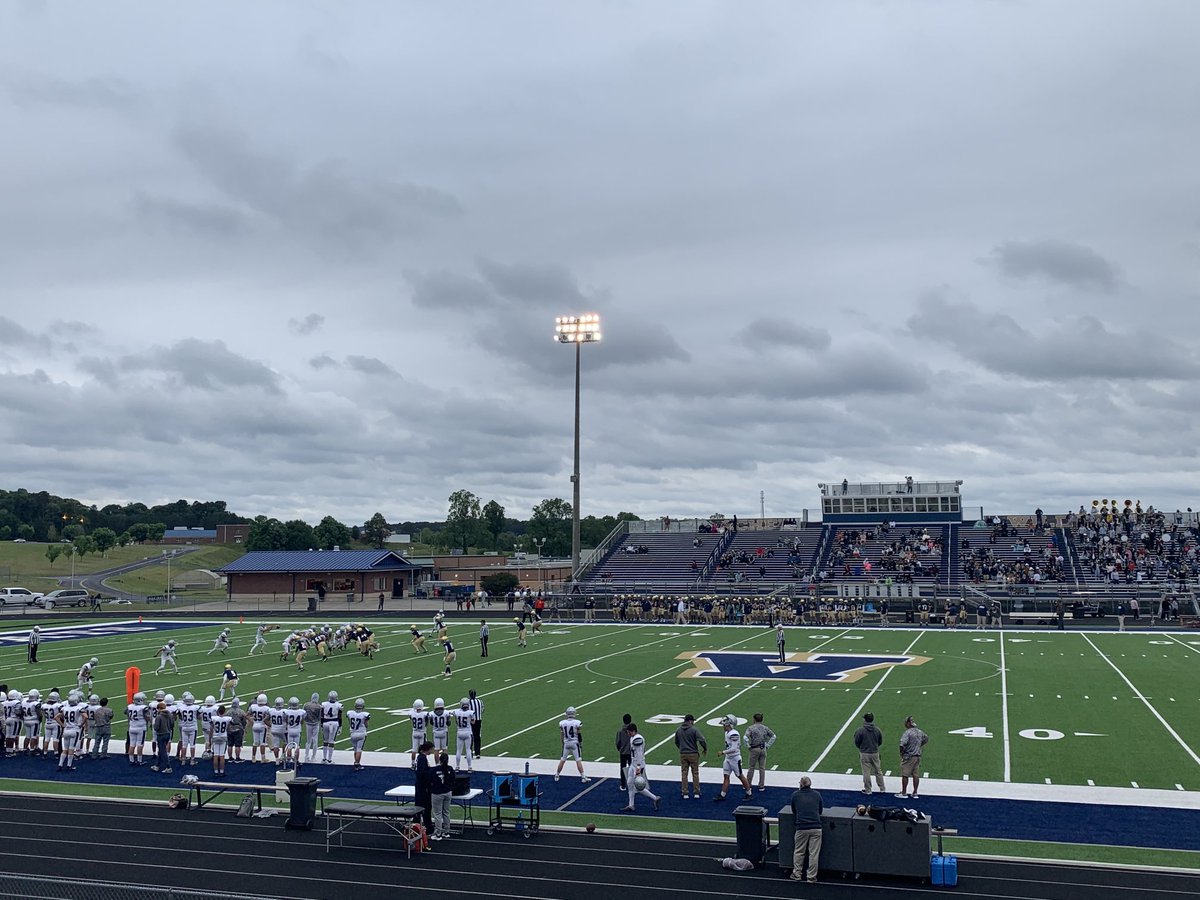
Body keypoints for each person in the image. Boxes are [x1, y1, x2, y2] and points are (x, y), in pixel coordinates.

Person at [621, 723, 661, 812]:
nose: (628, 734)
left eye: (629, 732)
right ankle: (631, 805)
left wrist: (638, 768)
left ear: (633, 731)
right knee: (629, 783)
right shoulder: (633, 738)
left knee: (639, 787)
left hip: (638, 765)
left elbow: (639, 754)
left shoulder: (638, 739)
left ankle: (655, 798)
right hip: (633, 764)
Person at [790, 776, 823, 883]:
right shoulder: (817, 794)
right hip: (816, 827)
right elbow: (820, 810)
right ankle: (811, 877)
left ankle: (797, 874)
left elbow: (794, 810)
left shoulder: (795, 795)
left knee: (799, 852)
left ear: (800, 785)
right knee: (814, 853)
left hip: (801, 827)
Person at [713, 715, 753, 802]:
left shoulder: (734, 733)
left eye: (725, 725)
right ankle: (722, 794)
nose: (723, 726)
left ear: (730, 724)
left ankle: (749, 793)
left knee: (740, 776)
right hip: (728, 758)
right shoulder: (727, 733)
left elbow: (734, 749)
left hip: (735, 758)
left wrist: (723, 752)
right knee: (726, 776)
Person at [673, 713, 708, 799]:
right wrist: (705, 748)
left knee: (684, 773)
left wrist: (681, 748)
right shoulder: (694, 729)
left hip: (683, 753)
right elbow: (702, 739)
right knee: (695, 773)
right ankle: (696, 792)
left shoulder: (679, 730)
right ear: (690, 721)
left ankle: (685, 792)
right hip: (693, 753)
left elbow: (676, 742)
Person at [852, 712, 885, 795]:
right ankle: (882, 788)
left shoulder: (860, 730)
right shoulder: (877, 730)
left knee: (866, 772)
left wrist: (862, 747)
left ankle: (868, 789)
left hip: (864, 753)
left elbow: (857, 741)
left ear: (865, 720)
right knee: (878, 771)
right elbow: (880, 741)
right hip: (875, 753)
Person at [554, 706, 590, 783]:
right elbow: (579, 734)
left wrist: (562, 743)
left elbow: (562, 734)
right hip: (574, 743)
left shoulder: (562, 723)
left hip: (566, 743)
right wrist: (580, 743)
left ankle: (557, 775)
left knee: (562, 760)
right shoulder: (577, 723)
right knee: (578, 760)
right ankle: (583, 777)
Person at [743, 712, 776, 792]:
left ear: (754, 719)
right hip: (763, 749)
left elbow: (745, 737)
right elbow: (773, 736)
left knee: (751, 767)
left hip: (754, 749)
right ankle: (761, 786)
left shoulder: (751, 728)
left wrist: (747, 746)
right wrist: (767, 745)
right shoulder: (765, 728)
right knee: (762, 768)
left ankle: (748, 784)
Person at [897, 715, 928, 799]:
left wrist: (902, 753)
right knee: (916, 775)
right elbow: (926, 739)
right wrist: (919, 746)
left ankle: (904, 792)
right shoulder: (919, 731)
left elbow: (902, 744)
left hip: (909, 756)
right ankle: (915, 792)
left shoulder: (907, 733)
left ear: (908, 723)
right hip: (917, 756)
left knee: (905, 774)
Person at [429, 751, 455, 840]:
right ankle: (446, 831)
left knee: (437, 814)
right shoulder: (450, 769)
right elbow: (453, 780)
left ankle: (438, 833)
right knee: (446, 812)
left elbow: (430, 780)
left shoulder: (434, 770)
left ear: (439, 760)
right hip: (448, 792)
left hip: (437, 793)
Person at [414, 740, 434, 833]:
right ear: (428, 749)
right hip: (423, 787)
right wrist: (430, 774)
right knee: (425, 807)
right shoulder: (422, 758)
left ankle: (418, 825)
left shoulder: (420, 757)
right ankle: (427, 827)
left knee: (420, 806)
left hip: (420, 785)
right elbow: (422, 773)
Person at [151, 701, 174, 774]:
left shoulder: (159, 716)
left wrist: (155, 726)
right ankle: (157, 765)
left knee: (162, 751)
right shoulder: (169, 715)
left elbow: (156, 727)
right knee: (161, 751)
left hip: (161, 735)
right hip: (168, 733)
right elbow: (172, 724)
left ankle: (168, 767)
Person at [453, 697, 475, 772]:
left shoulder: (457, 712)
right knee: (468, 750)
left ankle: (457, 766)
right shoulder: (470, 712)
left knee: (458, 750)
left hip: (459, 732)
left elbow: (455, 720)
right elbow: (473, 722)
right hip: (468, 732)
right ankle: (469, 767)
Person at [347, 698, 370, 771]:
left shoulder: (350, 713)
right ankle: (357, 764)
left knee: (355, 749)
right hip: (361, 733)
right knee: (359, 749)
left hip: (353, 733)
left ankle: (357, 763)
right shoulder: (364, 714)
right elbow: (366, 725)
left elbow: (350, 723)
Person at [320, 691, 343, 764]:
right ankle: (329, 759)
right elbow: (340, 716)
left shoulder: (324, 704)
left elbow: (321, 715)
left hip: (325, 723)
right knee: (331, 741)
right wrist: (340, 725)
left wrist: (321, 724)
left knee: (325, 741)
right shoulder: (339, 705)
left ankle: (324, 758)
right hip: (334, 723)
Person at [209, 705, 231, 777]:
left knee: (216, 755)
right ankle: (221, 772)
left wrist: (209, 740)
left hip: (215, 737)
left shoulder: (214, 718)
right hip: (223, 737)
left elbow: (211, 729)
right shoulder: (227, 719)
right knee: (221, 755)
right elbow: (228, 728)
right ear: (224, 711)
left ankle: (215, 772)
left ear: (218, 711)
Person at [303, 692, 323, 763]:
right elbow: (320, 717)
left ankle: (306, 756)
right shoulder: (319, 706)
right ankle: (313, 756)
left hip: (308, 724)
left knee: (308, 741)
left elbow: (304, 714)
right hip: (315, 724)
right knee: (315, 740)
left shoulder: (306, 705)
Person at [615, 713, 633, 791]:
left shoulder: (620, 731)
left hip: (623, 753)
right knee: (632, 768)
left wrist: (620, 749)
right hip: (630, 752)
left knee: (622, 768)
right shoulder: (633, 731)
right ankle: (632, 784)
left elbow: (618, 742)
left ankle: (623, 785)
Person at [409, 699, 428, 768]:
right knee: (423, 749)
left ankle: (413, 764)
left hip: (414, 732)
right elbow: (426, 722)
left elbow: (410, 717)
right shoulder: (424, 714)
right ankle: (424, 763)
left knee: (414, 750)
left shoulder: (412, 714)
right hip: (422, 733)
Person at [227, 698, 246, 763]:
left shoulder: (228, 712)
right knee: (237, 745)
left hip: (230, 729)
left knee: (230, 745)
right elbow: (244, 721)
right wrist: (243, 728)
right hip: (238, 729)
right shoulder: (241, 711)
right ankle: (237, 758)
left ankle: (230, 757)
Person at [468, 689, 484, 758]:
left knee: (470, 736)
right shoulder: (480, 701)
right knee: (477, 736)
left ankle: (470, 752)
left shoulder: (468, 702)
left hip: (471, 721)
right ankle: (478, 753)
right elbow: (483, 710)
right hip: (478, 720)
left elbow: (467, 712)